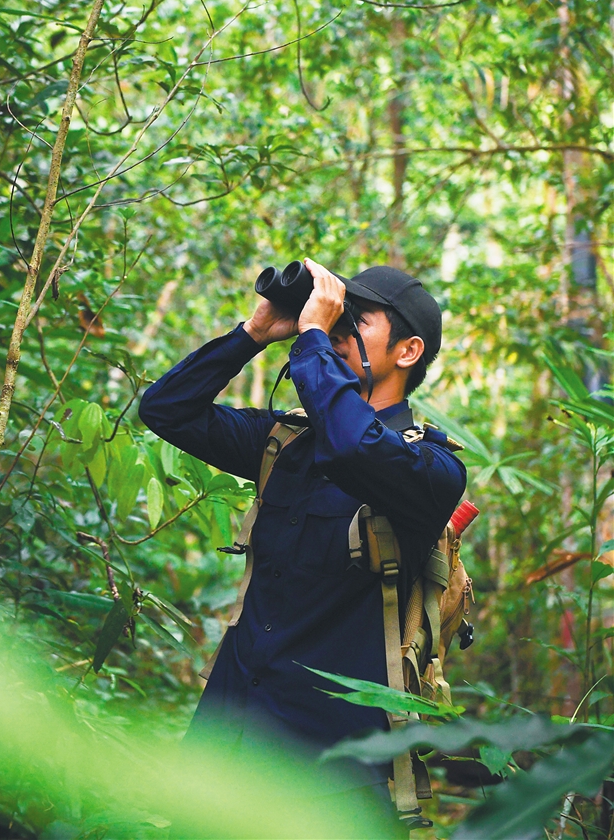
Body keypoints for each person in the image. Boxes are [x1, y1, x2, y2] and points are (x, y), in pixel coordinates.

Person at [139, 258, 467, 838]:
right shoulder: (286, 443)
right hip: (228, 738)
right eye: (337, 316)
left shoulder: (431, 470)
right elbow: (166, 409)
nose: (336, 328)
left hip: (330, 775)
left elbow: (353, 446)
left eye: (355, 321)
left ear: (408, 351)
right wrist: (255, 333)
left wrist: (314, 337)